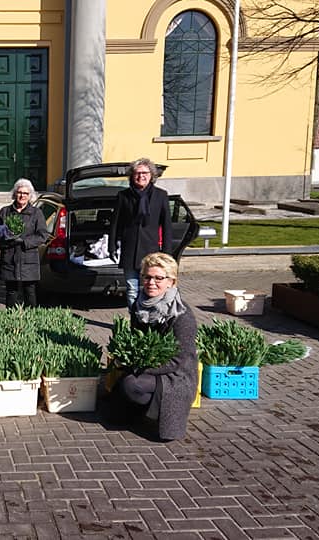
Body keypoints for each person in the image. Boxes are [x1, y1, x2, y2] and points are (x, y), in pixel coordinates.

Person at [112, 252, 197, 441]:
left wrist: (142, 368)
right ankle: (143, 409)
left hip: (177, 374)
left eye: (159, 278)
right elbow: (137, 341)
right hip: (149, 367)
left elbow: (179, 359)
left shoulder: (181, 314)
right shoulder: (139, 306)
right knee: (122, 387)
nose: (151, 282)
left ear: (172, 282)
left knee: (132, 384)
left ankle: (157, 411)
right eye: (147, 277)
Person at [108, 158, 174, 309]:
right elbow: (115, 224)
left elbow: (167, 226)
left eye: (144, 173)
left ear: (151, 175)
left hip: (151, 251)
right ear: (132, 176)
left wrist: (167, 253)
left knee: (151, 289)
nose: (141, 176)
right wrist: (111, 246)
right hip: (130, 249)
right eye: (137, 173)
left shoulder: (161, 195)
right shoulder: (123, 196)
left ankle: (150, 319)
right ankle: (135, 322)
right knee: (132, 289)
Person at [0, 178, 49, 307]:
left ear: (30, 196)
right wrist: (3, 241)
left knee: (30, 292)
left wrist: (24, 241)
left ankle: (31, 322)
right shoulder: (5, 212)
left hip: (28, 259)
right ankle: (12, 322)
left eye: (26, 193)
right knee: (11, 292)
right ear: (15, 193)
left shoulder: (36, 213)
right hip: (9, 258)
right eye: (19, 192)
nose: (22, 196)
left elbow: (42, 235)